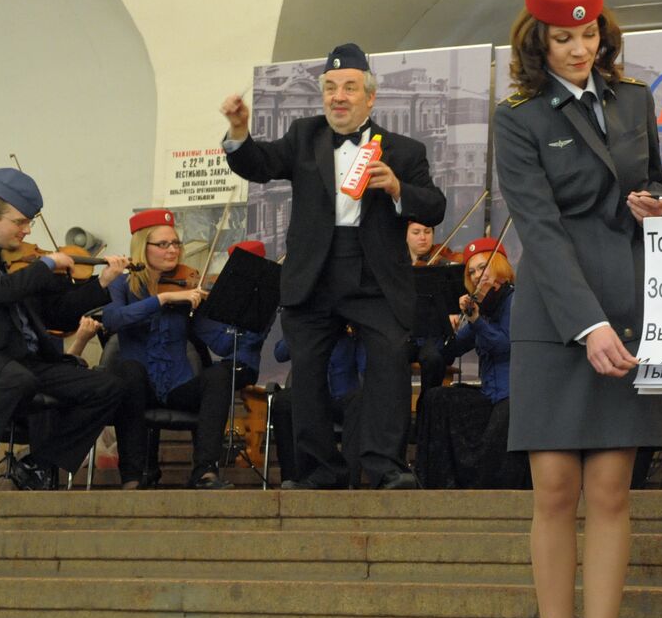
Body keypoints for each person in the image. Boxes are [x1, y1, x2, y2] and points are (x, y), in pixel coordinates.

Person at [494, 0, 662, 618]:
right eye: (562, 37)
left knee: (611, 494)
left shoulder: (634, 100)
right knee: (555, 492)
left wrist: (651, 208)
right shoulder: (519, 118)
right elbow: (537, 226)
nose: (578, 48)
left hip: (630, 303)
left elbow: (654, 185)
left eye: (588, 33)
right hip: (556, 317)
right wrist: (586, 325)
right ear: (539, 40)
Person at [221, 43, 446, 490]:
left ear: (370, 96)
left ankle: (385, 467)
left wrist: (399, 187)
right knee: (306, 374)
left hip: (375, 275)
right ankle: (320, 470)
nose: (337, 96)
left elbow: (435, 206)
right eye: (329, 88)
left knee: (389, 364)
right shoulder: (304, 135)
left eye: (348, 87)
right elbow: (260, 165)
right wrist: (239, 130)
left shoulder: (403, 149)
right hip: (314, 274)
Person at [0, 168, 127, 490]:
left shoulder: (12, 265)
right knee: (17, 377)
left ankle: (40, 463)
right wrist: (48, 264)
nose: (26, 231)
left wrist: (103, 284)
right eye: (20, 221)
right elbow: (2, 290)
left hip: (25, 361)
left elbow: (57, 316)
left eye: (29, 223)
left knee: (109, 386)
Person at [103, 214, 268, 489]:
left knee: (217, 376)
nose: (173, 250)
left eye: (176, 243)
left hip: (177, 388)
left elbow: (222, 344)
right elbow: (113, 320)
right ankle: (133, 476)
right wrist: (163, 299)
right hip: (139, 389)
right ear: (143, 247)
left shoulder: (187, 286)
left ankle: (205, 471)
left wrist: (249, 318)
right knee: (128, 371)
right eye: (164, 244)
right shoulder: (120, 285)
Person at [413, 237, 525, 489]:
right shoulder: (482, 309)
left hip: (513, 396)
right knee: (437, 399)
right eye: (471, 271)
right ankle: (438, 483)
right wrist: (446, 324)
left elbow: (505, 345)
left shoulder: (514, 300)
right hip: (490, 396)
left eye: (482, 268)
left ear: (499, 266)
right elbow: (450, 350)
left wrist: (476, 320)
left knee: (500, 427)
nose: (476, 276)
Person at [271, 330, 364, 488]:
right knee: (283, 401)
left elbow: (366, 367)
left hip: (342, 399)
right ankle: (294, 478)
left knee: (361, 401)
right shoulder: (309, 325)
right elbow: (280, 354)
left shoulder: (351, 331)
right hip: (311, 398)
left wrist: (356, 333)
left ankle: (349, 480)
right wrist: (303, 328)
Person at [406, 221, 449, 397]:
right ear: (405, 235)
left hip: (432, 336)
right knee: (392, 356)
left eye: (427, 231)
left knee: (433, 358)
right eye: (416, 232)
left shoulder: (442, 265)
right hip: (405, 334)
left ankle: (428, 404)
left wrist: (451, 313)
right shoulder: (396, 265)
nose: (423, 237)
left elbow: (452, 298)